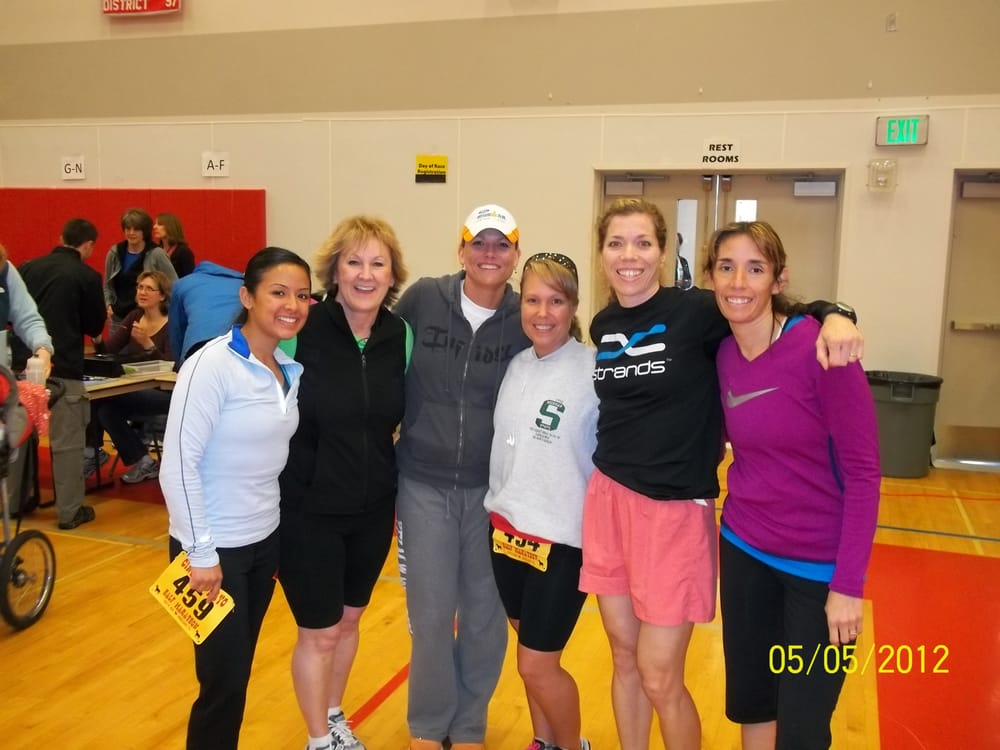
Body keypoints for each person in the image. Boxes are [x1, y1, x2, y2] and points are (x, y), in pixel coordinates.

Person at [580, 197, 863, 750]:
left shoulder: (699, 312)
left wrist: (837, 313)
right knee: (624, 655)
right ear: (602, 254)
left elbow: (767, 301)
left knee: (659, 673)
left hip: (674, 509)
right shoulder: (603, 323)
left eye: (643, 243)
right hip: (608, 497)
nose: (629, 255)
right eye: (616, 243)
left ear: (664, 252)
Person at [705, 221, 880, 749]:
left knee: (803, 729)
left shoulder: (824, 352)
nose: (739, 282)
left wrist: (847, 586)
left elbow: (864, 473)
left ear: (778, 280)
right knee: (753, 702)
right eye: (726, 267)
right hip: (744, 551)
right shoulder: (722, 353)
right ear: (710, 278)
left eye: (755, 269)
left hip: (817, 571)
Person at [159, 247, 310, 750]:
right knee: (221, 683)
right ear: (247, 297)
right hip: (210, 551)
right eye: (278, 292)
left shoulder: (287, 369)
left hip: (262, 544)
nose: (292, 305)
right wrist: (200, 553)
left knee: (237, 672)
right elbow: (178, 464)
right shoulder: (211, 365)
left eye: (302, 295)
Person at [394, 204, 530, 750]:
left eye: (501, 244)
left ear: (515, 255)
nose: (489, 253)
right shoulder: (424, 299)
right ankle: (429, 725)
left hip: (494, 492)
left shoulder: (526, 316)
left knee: (484, 616)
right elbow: (379, 354)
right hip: (422, 484)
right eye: (479, 242)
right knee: (430, 616)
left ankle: (470, 723)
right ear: (462, 250)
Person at [279, 215, 410, 750]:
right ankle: (318, 740)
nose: (365, 274)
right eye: (354, 262)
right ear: (334, 271)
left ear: (392, 275)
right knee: (319, 631)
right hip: (307, 510)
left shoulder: (400, 336)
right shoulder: (300, 329)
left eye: (378, 263)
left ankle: (333, 716)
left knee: (351, 620)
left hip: (373, 509)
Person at [483, 253, 597, 750]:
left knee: (536, 663)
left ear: (573, 306)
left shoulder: (595, 370)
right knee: (529, 655)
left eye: (556, 301)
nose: (543, 313)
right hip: (506, 533)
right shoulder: (515, 364)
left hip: (564, 541)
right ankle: (543, 741)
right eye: (532, 300)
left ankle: (572, 746)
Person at [19, 219, 106, 530]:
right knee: (67, 443)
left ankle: (16, 502)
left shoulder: (27, 268)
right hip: (63, 366)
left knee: (19, 436)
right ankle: (69, 512)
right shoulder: (86, 276)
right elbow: (94, 325)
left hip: (22, 364)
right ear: (89, 245)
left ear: (61, 237)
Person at [91, 270, 175, 484]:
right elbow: (109, 351)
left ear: (162, 295)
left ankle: (92, 451)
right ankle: (143, 461)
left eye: (149, 288)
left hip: (163, 392)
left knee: (106, 399)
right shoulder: (134, 317)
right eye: (140, 287)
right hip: (133, 388)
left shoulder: (171, 323)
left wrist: (148, 344)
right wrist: (97, 337)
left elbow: (170, 365)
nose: (142, 292)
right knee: (105, 409)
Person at [104, 207, 176, 332]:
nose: (131, 233)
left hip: (147, 317)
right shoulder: (114, 252)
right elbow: (107, 284)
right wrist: (108, 304)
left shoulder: (157, 254)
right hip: (118, 317)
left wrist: (164, 312)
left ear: (145, 231)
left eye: (136, 229)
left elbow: (173, 284)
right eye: (128, 229)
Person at [168, 260, 244, 366]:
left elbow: (176, 331)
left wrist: (180, 365)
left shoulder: (183, 283)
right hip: (236, 344)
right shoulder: (242, 284)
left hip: (198, 347)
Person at [154, 212, 196, 278]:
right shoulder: (156, 250)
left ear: (170, 227)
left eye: (160, 224)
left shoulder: (183, 252)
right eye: (155, 224)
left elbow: (190, 278)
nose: (154, 227)